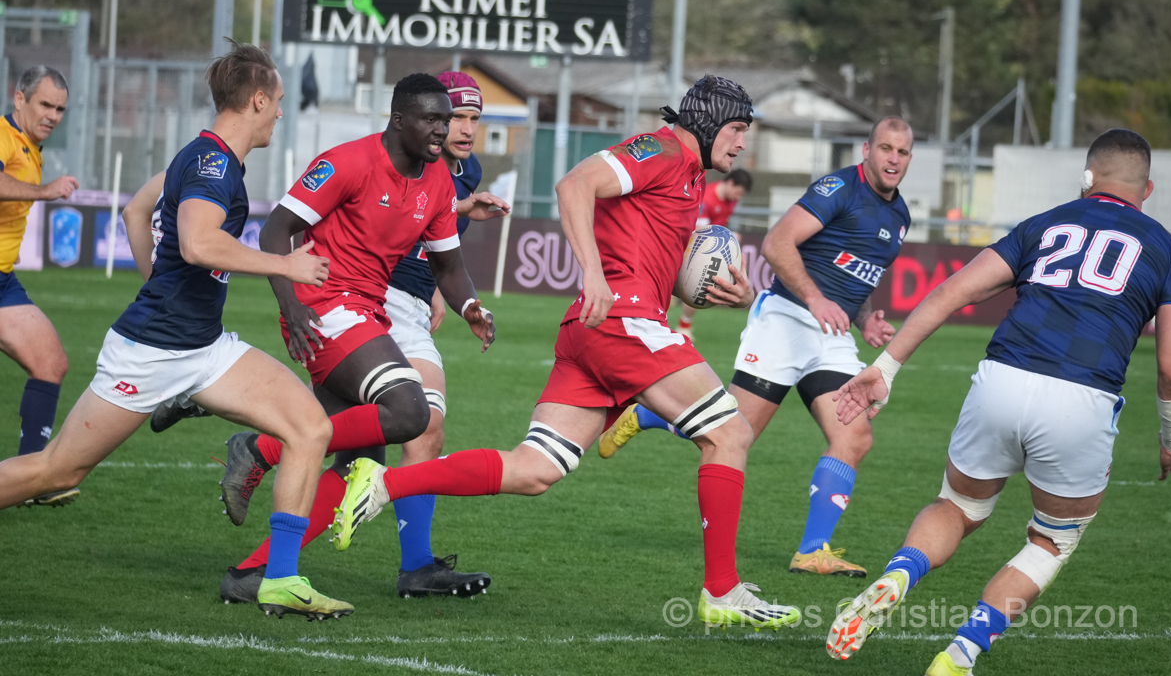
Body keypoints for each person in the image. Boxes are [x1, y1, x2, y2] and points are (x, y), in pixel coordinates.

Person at [330, 76, 802, 630]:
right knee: (731, 433)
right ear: (709, 121)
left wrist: (725, 293)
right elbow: (575, 184)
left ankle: (384, 482)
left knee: (534, 469)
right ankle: (722, 591)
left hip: (597, 330)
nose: (742, 143)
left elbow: (656, 263)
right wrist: (594, 274)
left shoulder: (690, 174)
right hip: (622, 323)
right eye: (737, 129)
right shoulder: (661, 151)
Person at [0, 43, 354, 620]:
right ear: (257, 100)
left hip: (203, 347)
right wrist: (285, 265)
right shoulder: (214, 165)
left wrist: (157, 282)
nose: (280, 112)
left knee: (310, 427)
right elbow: (196, 243)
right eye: (278, 101)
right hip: (151, 351)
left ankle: (281, 579)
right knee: (57, 470)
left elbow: (135, 212)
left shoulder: (205, 154)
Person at [826, 129, 1171, 675]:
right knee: (1051, 541)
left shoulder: (1044, 223)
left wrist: (885, 368)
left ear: (1087, 178)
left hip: (1002, 378)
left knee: (958, 507)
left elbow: (952, 292)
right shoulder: (1166, 250)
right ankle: (959, 655)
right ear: (1148, 189)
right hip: (1082, 398)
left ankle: (899, 574)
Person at [212, 71, 507, 603]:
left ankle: (254, 573)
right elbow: (275, 230)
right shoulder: (348, 162)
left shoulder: (440, 182)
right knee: (411, 412)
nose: (443, 130)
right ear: (398, 119)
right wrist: (291, 305)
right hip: (326, 305)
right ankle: (261, 447)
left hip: (368, 312)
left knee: (357, 464)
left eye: (449, 120)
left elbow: (448, 264)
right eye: (433, 119)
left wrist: (469, 307)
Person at [601, 118, 913, 580]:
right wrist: (815, 299)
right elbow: (777, 243)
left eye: (902, 152)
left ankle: (813, 550)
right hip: (785, 321)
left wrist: (865, 319)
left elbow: (853, 275)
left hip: (830, 338)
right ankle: (648, 414)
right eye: (885, 148)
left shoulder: (900, 215)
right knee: (736, 431)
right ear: (867, 150)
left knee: (855, 435)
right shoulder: (838, 189)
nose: (893, 159)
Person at [0, 66, 79, 506]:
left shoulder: (30, 147)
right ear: (19, 99)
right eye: (45, 104)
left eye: (60, 109)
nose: (53, 115)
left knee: (51, 364)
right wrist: (46, 191)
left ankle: (28, 479)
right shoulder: (3, 135)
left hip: (3, 282)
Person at [674, 168, 753, 340]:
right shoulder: (707, 198)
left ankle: (684, 325)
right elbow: (700, 231)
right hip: (695, 248)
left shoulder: (730, 201)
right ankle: (680, 325)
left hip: (714, 247)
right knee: (698, 285)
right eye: (738, 192)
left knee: (704, 287)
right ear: (730, 183)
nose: (738, 197)